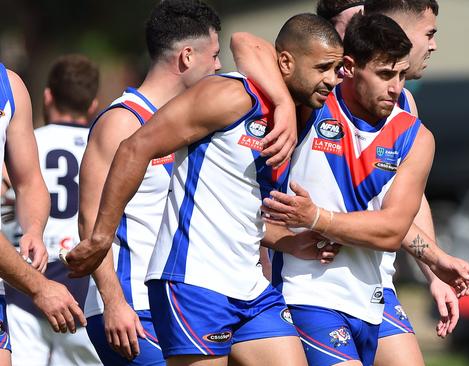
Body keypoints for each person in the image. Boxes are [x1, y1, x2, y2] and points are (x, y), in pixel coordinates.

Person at [66, 13, 344, 366]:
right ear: (286, 62)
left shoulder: (301, 113)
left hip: (250, 286)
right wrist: (102, 239)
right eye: (324, 68)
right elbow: (133, 149)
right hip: (194, 284)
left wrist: (290, 238)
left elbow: (234, 205)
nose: (333, 80)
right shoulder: (229, 94)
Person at [252, 13, 469, 366]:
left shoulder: (414, 136)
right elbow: (248, 44)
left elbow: (392, 228)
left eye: (401, 75)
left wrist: (317, 217)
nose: (395, 88)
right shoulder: (314, 103)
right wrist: (280, 101)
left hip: (373, 295)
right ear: (349, 68)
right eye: (385, 75)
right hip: (307, 291)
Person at [55, 1, 223, 365]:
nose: (219, 66)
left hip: (182, 304)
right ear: (187, 57)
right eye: (214, 55)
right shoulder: (122, 122)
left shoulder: (188, 125)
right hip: (131, 309)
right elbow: (90, 223)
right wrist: (114, 303)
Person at [3, 54, 102, 366]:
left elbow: (29, 181)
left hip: (27, 275)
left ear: (47, 96)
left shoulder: (10, 86)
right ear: (93, 105)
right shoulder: (102, 143)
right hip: (72, 277)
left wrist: (34, 228)